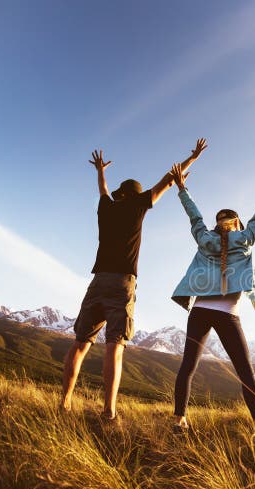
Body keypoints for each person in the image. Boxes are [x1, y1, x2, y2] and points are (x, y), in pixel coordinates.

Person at [61, 139, 208, 420]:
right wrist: (193, 157)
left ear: (120, 194)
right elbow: (168, 179)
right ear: (135, 195)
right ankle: (108, 412)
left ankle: (65, 403)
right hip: (122, 283)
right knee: (114, 347)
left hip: (98, 280)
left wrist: (100, 171)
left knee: (80, 344)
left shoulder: (107, 207)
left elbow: (103, 190)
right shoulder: (138, 205)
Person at [170, 157, 255, 434]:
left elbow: (194, 216)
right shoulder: (245, 238)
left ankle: (179, 420)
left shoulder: (205, 238)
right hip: (228, 313)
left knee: (188, 365)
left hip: (200, 310)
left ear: (217, 224)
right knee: (244, 370)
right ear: (236, 223)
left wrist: (181, 188)